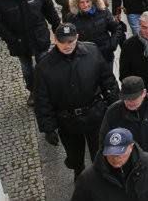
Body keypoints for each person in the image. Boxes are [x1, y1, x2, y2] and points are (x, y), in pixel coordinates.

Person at [34, 23, 121, 177]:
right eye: (63, 42)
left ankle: (98, 177)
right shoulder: (44, 66)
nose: (67, 45)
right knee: (74, 155)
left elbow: (108, 80)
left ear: (77, 38)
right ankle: (78, 170)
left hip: (95, 113)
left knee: (99, 151)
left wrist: (115, 106)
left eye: (71, 41)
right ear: (55, 39)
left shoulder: (92, 52)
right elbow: (42, 99)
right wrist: (48, 127)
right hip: (67, 120)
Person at [0, 0, 60, 98]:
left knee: (45, 66)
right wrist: (10, 38)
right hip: (19, 41)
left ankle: (48, 91)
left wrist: (57, 27)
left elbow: (49, 9)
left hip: (39, 36)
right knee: (27, 70)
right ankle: (33, 91)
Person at [70, 127, 148, 201]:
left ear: (131, 147)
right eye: (111, 153)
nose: (115, 158)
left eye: (120, 152)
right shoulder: (87, 179)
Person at [98, 76, 148, 166]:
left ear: (144, 93)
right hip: (129, 165)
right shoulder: (112, 112)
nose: (130, 102)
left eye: (134, 98)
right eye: (126, 98)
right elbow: (104, 139)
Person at [64, 0, 125, 64]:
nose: (85, 5)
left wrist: (112, 44)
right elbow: (67, 36)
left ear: (92, 0)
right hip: (85, 57)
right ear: (77, 3)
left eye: (87, 1)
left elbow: (116, 28)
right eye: (81, 2)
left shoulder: (103, 11)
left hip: (105, 54)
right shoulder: (71, 17)